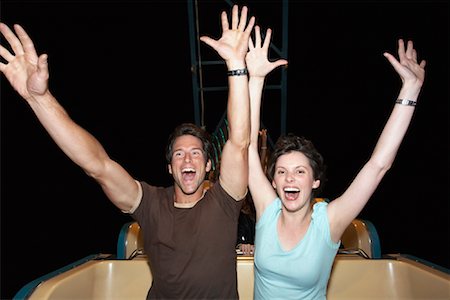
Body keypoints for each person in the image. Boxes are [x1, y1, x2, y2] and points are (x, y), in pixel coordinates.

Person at [0, 4, 255, 299]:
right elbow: (98, 165)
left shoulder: (224, 202)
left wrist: (237, 66)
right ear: (170, 167)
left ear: (209, 165)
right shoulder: (150, 204)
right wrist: (40, 99)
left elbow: (239, 141)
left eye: (196, 153)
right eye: (179, 154)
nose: (187, 158)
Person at [245, 25, 426, 299]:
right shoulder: (266, 210)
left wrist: (410, 90)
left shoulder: (329, 221)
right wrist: (255, 80)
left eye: (299, 171)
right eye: (281, 171)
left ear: (315, 181)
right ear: (274, 181)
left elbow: (377, 166)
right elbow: (245, 147)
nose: (290, 178)